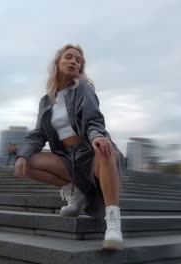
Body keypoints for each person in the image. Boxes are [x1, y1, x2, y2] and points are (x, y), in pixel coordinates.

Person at [14, 44, 125, 250]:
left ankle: (113, 224)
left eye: (78, 60)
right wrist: (22, 154)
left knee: (106, 150)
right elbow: (39, 134)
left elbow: (93, 119)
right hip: (68, 158)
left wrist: (96, 137)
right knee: (28, 162)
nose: (74, 61)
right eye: (69, 57)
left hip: (90, 152)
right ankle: (75, 192)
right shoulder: (46, 102)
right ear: (58, 63)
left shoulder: (82, 88)